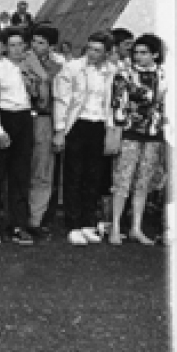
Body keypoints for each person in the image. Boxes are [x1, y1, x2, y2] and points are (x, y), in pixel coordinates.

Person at [52, 31, 117, 246]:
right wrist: (60, 130)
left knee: (94, 177)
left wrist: (110, 130)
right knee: (73, 176)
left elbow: (110, 104)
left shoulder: (111, 71)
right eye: (90, 48)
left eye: (98, 50)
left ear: (107, 52)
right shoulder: (72, 68)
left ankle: (88, 224)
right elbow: (62, 100)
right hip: (76, 125)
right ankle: (73, 225)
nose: (92, 53)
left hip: (98, 125)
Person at [0, 28, 36, 244]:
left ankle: (18, 225)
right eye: (12, 45)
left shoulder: (28, 68)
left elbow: (37, 96)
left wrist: (32, 80)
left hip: (24, 117)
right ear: (5, 47)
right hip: (3, 116)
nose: (17, 49)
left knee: (20, 174)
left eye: (21, 44)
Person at [109, 33, 168, 245]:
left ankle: (136, 227)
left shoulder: (163, 75)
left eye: (144, 52)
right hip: (129, 132)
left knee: (143, 182)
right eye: (136, 52)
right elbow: (118, 104)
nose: (139, 56)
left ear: (155, 54)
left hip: (154, 134)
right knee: (123, 180)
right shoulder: (124, 73)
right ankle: (115, 227)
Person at [24, 25, 65, 236]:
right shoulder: (20, 62)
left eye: (41, 43)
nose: (35, 46)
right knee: (20, 169)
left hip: (44, 119)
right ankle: (18, 219)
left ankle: (35, 219)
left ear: (51, 46)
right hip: (22, 117)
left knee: (42, 171)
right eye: (34, 41)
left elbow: (54, 95)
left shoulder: (58, 67)